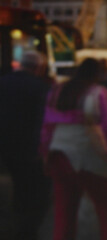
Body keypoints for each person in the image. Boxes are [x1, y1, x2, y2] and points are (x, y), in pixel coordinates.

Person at [40, 58, 107, 240]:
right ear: (97, 73)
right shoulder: (99, 94)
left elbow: (47, 126)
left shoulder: (58, 91)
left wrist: (45, 154)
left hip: (59, 155)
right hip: (90, 156)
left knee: (64, 214)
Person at [0, 51, 51, 240]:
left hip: (4, 145)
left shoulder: (3, 81)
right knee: (34, 189)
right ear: (38, 68)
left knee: (17, 183)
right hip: (29, 147)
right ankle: (26, 230)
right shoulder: (41, 87)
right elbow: (43, 121)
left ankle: (15, 217)